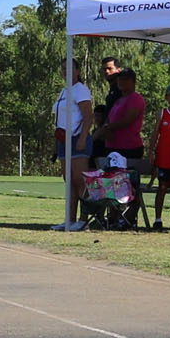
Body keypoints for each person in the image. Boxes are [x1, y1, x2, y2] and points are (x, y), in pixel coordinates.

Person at [49, 58, 92, 232]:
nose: (65, 72)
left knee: (80, 180)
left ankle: (84, 219)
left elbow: (88, 116)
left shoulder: (80, 90)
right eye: (63, 69)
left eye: (69, 69)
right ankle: (70, 219)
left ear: (77, 71)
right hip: (63, 140)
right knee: (69, 181)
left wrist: (82, 138)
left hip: (76, 139)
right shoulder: (64, 92)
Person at [150, 82, 170, 231]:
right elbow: (155, 134)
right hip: (164, 159)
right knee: (162, 188)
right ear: (167, 97)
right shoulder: (162, 113)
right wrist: (152, 150)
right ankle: (158, 219)